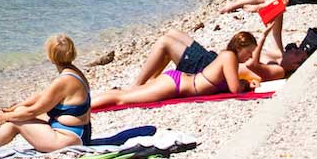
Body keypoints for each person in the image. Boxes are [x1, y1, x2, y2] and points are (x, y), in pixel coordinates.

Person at [0, 34, 92, 159]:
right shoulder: (74, 73)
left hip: (67, 139)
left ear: (50, 56)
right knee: (20, 114)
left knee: (15, 122)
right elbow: (42, 96)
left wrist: (8, 117)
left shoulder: (64, 81)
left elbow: (33, 112)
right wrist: (16, 108)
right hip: (78, 133)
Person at [91, 32, 256, 110]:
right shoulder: (229, 57)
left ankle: (84, 104)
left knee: (125, 95)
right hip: (175, 85)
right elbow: (235, 89)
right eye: (249, 52)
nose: (249, 57)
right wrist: (247, 85)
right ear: (239, 48)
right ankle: (84, 107)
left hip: (176, 82)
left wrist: (243, 83)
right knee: (122, 99)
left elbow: (232, 84)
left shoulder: (226, 57)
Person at [128, 28, 220, 86]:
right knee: (172, 32)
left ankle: (136, 86)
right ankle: (151, 79)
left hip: (205, 70)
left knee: (164, 42)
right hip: (211, 59)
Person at [241, 15, 308, 82]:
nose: (293, 50)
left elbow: (251, 64)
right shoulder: (278, 54)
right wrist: (277, 8)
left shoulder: (279, 71)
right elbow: (275, 32)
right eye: (296, 49)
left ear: (294, 65)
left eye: (296, 53)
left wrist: (263, 36)